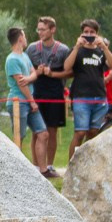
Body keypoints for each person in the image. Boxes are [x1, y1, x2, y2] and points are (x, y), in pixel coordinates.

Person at [25, 17, 71, 178]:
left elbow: (70, 72)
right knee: (36, 132)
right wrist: (37, 72)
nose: (40, 33)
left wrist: (52, 73)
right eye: (38, 29)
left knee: (52, 131)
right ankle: (36, 166)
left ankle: (49, 166)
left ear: (52, 30)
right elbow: (26, 70)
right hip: (37, 93)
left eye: (43, 29)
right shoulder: (31, 49)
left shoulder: (63, 50)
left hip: (55, 94)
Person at [65, 19, 112, 151]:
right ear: (81, 34)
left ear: (97, 34)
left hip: (99, 97)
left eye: (92, 32)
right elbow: (67, 67)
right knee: (80, 133)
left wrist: (104, 47)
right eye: (86, 32)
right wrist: (77, 47)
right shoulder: (76, 50)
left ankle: (86, 162)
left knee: (93, 133)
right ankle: (72, 165)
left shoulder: (100, 51)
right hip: (81, 97)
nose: (89, 35)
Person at [3, 27, 39, 153]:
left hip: (29, 100)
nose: (26, 39)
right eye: (24, 36)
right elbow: (21, 84)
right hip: (19, 101)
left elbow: (33, 74)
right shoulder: (12, 59)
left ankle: (42, 169)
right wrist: (32, 101)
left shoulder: (25, 56)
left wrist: (28, 79)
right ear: (20, 38)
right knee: (19, 137)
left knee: (42, 132)